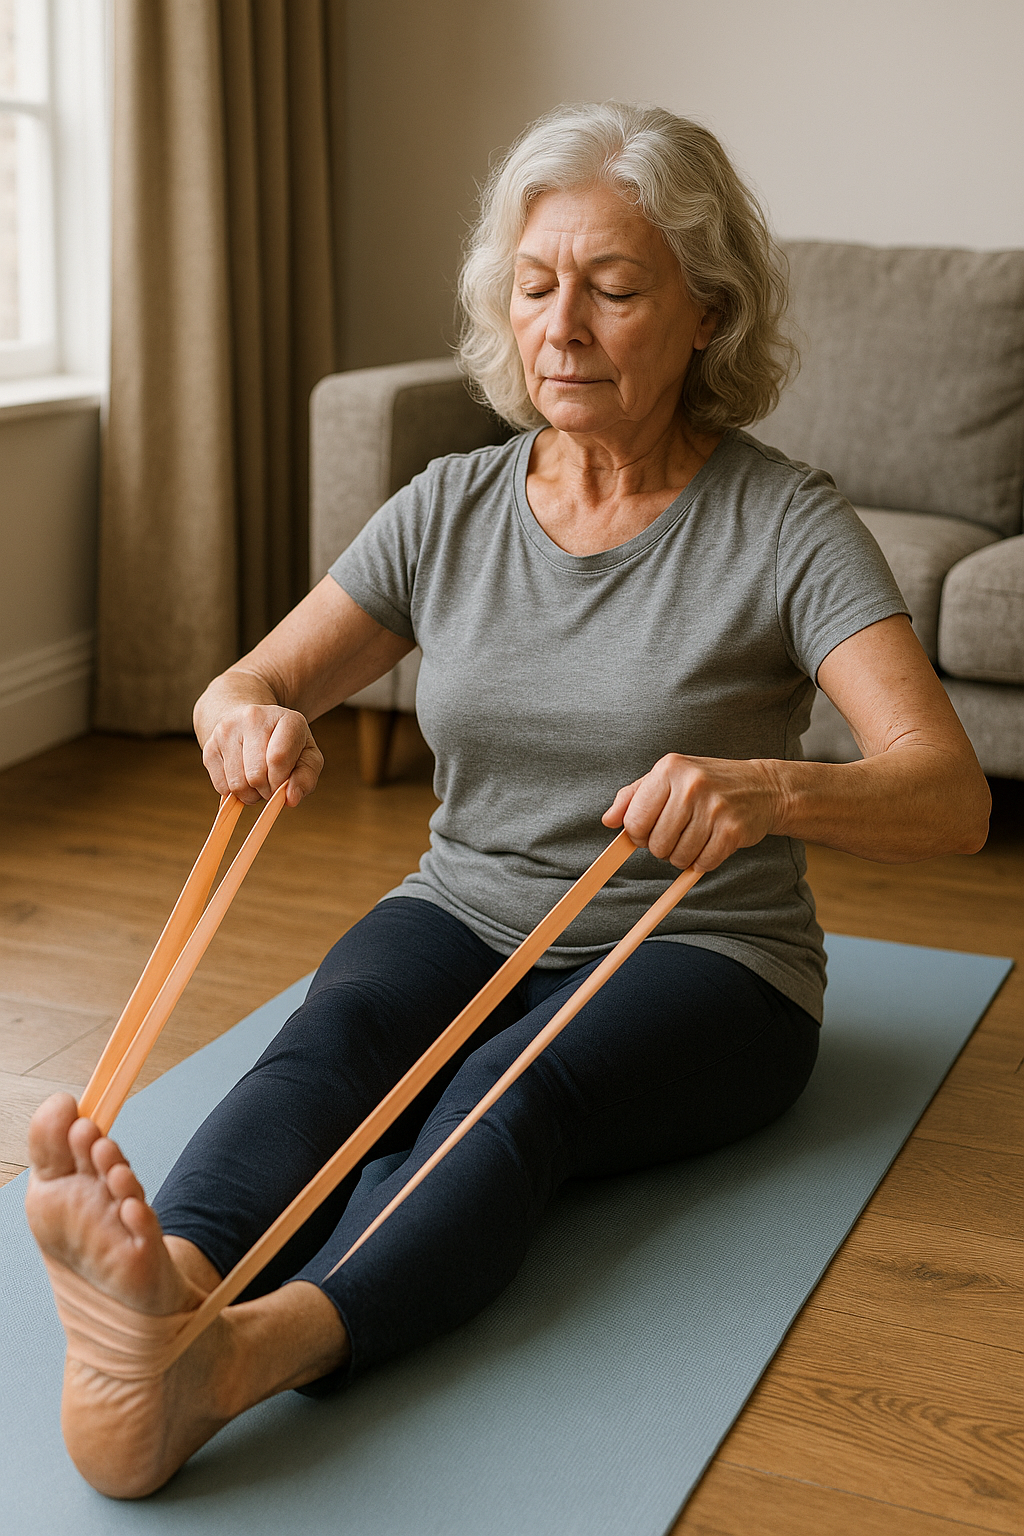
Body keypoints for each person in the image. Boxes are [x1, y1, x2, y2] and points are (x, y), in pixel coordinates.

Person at [26, 102, 990, 1498]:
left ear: (707, 312)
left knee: (501, 1092)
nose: (564, 327)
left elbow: (949, 796)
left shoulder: (786, 525)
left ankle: (236, 1363)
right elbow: (251, 681)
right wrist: (243, 722)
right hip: (467, 900)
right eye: (538, 288)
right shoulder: (451, 506)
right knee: (333, 1037)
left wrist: (767, 789)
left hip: (706, 952)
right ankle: (158, 1295)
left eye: (614, 289)